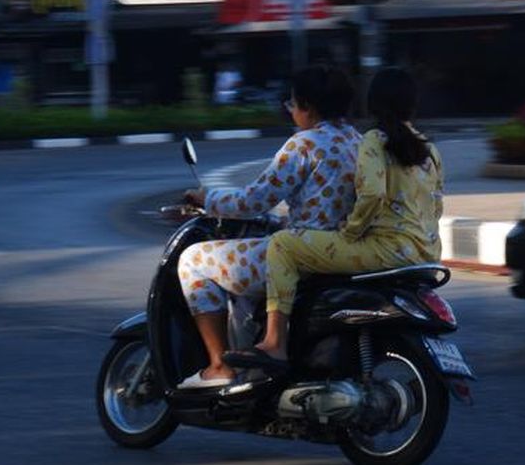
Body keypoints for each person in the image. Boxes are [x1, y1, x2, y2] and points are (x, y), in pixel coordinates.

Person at [227, 67, 444, 371]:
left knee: (282, 245)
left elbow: (371, 195)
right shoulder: (429, 150)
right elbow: (436, 205)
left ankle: (275, 343)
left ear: (373, 103)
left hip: (385, 251)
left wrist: (351, 231)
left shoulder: (374, 142)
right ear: (413, 104)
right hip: (426, 254)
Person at [177, 65, 361, 388]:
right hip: (338, 252)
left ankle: (220, 366)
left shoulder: (304, 144)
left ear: (308, 107)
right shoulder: (357, 141)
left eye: (292, 104)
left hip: (299, 256)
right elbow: (320, 209)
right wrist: (276, 221)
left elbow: (254, 199)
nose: (291, 112)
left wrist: (208, 199)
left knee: (193, 260)